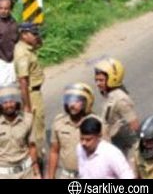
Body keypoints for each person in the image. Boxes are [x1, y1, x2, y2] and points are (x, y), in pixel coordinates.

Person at [47, 83, 101, 179]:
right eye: (69, 100)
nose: (71, 105)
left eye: (77, 101)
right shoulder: (59, 122)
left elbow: (106, 153)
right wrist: (50, 176)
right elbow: (54, 151)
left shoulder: (96, 123)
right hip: (66, 175)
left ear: (86, 102)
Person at [93, 58, 139, 166]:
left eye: (101, 80)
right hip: (114, 144)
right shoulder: (110, 94)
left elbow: (135, 125)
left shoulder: (120, 99)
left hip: (125, 149)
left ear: (112, 80)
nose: (97, 84)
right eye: (96, 80)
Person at [13, 23, 45, 163]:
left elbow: (40, 45)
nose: (36, 36)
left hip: (35, 91)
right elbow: (23, 81)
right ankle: (37, 161)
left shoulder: (28, 46)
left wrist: (37, 38)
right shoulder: (22, 53)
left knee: (38, 125)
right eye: (33, 34)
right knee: (36, 128)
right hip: (32, 94)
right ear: (24, 34)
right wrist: (27, 106)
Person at [0, 85, 40, 179]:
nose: (9, 105)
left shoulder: (27, 119)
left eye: (11, 101)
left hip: (27, 172)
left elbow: (32, 146)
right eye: (4, 102)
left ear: (17, 102)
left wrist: (36, 172)